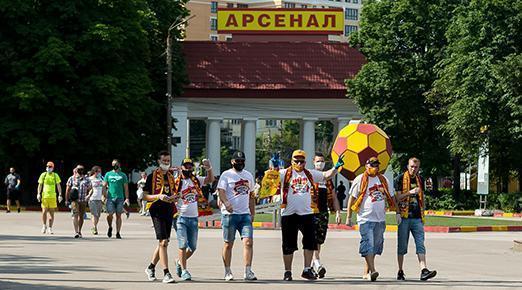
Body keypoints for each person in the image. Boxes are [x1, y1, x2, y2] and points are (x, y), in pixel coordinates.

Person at [277, 150, 342, 281]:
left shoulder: (310, 174)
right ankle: (288, 272)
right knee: (288, 244)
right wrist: (271, 172)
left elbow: (325, 176)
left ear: (305, 162)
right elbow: (271, 180)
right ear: (292, 161)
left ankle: (307, 269)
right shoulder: (284, 173)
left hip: (306, 213)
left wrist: (336, 167)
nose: (299, 163)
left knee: (310, 242)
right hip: (289, 214)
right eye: (296, 161)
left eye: (301, 161)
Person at [346, 157, 399, 282]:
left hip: (380, 219)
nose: (375, 167)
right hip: (365, 218)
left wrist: (397, 212)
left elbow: (391, 196)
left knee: (376, 246)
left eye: (377, 165)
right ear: (367, 166)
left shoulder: (383, 179)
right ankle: (373, 270)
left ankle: (367, 271)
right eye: (373, 165)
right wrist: (348, 216)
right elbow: (351, 199)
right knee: (368, 244)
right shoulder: (360, 179)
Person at [217, 151, 257, 281]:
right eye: (237, 161)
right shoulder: (226, 175)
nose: (240, 163)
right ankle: (227, 271)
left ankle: (248, 271)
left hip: (244, 214)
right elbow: (221, 191)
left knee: (248, 242)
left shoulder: (248, 175)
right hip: (229, 215)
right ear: (232, 161)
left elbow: (251, 195)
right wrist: (226, 203)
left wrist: (252, 212)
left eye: (242, 161)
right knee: (228, 244)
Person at [395, 157, 437, 281]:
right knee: (402, 246)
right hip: (404, 217)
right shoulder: (400, 178)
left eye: (416, 167)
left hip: (417, 217)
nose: (414, 169)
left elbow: (421, 197)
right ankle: (400, 270)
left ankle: (424, 270)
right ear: (407, 166)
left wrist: (423, 212)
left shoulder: (420, 179)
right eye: (412, 166)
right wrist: (410, 192)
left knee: (420, 244)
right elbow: (397, 198)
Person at [173, 158, 214, 281]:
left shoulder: (195, 180)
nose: (188, 168)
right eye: (186, 166)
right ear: (181, 168)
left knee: (193, 247)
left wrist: (209, 168)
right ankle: (185, 271)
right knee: (183, 244)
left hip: (194, 218)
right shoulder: (176, 182)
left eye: (190, 166)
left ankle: (178, 261)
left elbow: (210, 180)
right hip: (180, 218)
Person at [143, 150, 177, 283]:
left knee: (165, 242)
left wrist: (175, 197)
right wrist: (158, 196)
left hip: (168, 209)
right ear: (159, 161)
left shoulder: (170, 176)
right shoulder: (152, 176)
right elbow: (144, 196)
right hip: (156, 210)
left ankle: (150, 267)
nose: (166, 163)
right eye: (164, 161)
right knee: (163, 242)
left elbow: (172, 193)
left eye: (168, 161)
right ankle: (166, 273)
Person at [310, 152, 342, 278]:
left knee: (319, 239)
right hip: (311, 212)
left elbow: (333, 197)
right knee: (312, 238)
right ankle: (316, 262)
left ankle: (314, 263)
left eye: (322, 161)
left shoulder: (328, 180)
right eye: (318, 161)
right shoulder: (310, 176)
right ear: (313, 162)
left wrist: (338, 212)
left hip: (323, 213)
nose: (320, 163)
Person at [103, 159, 130, 239]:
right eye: (113, 164)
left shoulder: (123, 175)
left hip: (120, 198)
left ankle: (118, 232)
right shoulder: (108, 174)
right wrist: (104, 195)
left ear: (119, 165)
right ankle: (110, 227)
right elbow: (104, 185)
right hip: (110, 198)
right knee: (109, 214)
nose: (115, 165)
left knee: (118, 215)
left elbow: (126, 188)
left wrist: (127, 198)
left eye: (116, 164)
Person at [37, 161, 63, 234]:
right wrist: (38, 194)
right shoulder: (43, 175)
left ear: (53, 168)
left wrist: (60, 194)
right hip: (45, 196)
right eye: (47, 166)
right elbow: (40, 185)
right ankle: (44, 225)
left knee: (52, 213)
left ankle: (50, 227)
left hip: (53, 197)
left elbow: (58, 185)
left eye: (50, 166)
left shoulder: (55, 175)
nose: (48, 168)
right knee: (44, 211)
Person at [66, 165, 91, 238]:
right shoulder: (71, 178)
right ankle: (76, 231)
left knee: (81, 216)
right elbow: (67, 189)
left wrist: (89, 195)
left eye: (82, 169)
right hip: (74, 200)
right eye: (79, 169)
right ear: (76, 170)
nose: (80, 170)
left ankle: (80, 230)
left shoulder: (86, 179)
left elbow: (90, 188)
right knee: (75, 214)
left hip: (83, 200)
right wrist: (67, 199)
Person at [86, 166, 105, 235]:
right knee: (94, 214)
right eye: (98, 171)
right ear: (95, 172)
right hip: (92, 199)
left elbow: (104, 188)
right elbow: (88, 188)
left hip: (100, 199)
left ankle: (95, 226)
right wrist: (88, 195)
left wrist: (104, 196)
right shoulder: (90, 179)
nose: (100, 173)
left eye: (100, 171)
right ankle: (94, 227)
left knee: (98, 215)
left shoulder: (102, 178)